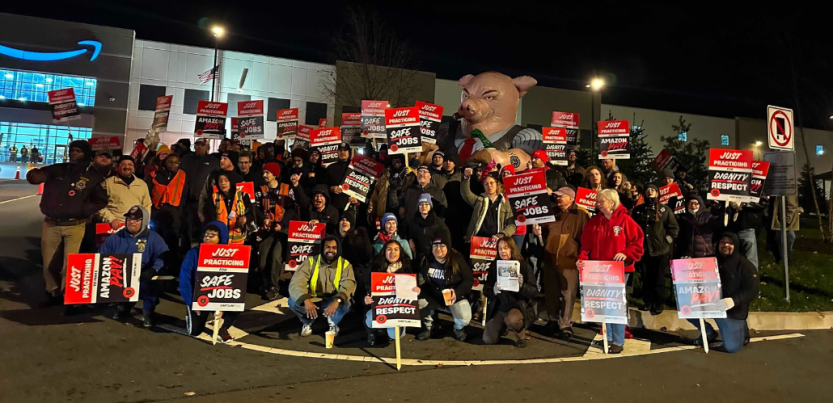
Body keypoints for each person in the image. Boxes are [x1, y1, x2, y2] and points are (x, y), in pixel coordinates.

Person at [27, 140, 107, 310]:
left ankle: (69, 296)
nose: (73, 154)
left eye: (78, 151)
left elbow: (101, 201)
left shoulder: (94, 176)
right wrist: (33, 174)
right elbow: (38, 177)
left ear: (86, 154)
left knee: (70, 265)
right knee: (49, 263)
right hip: (51, 223)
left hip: (75, 225)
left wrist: (82, 210)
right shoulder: (57, 169)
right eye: (72, 150)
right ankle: (53, 292)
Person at [577, 189, 644, 354]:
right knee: (604, 305)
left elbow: (638, 242)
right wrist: (582, 259)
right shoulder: (594, 223)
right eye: (598, 201)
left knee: (615, 305)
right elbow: (586, 245)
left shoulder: (625, 221)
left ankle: (618, 340)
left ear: (612, 202)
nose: (598, 203)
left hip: (618, 270)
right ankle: (610, 338)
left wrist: (626, 253)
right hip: (598, 270)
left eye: (602, 201)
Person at [529, 186, 590, 339]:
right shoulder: (551, 211)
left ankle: (566, 324)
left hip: (569, 259)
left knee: (568, 293)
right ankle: (552, 320)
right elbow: (540, 226)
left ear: (571, 198)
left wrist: (581, 256)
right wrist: (537, 230)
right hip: (549, 257)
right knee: (551, 291)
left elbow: (587, 237)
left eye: (561, 196)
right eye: (556, 196)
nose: (557, 199)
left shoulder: (581, 214)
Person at [687, 232, 759, 353]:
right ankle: (709, 333)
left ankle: (742, 330)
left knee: (732, 348)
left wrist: (733, 301)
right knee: (687, 308)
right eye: (722, 242)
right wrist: (687, 263)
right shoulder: (711, 260)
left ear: (736, 245)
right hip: (713, 304)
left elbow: (753, 290)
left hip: (732, 311)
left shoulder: (746, 266)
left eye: (730, 243)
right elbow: (694, 268)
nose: (725, 245)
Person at [99, 205, 168, 327]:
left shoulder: (153, 237)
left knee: (155, 282)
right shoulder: (116, 237)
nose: (132, 222)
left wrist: (153, 269)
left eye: (136, 220)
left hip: (143, 274)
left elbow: (163, 255)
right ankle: (124, 305)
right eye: (129, 219)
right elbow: (101, 255)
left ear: (144, 221)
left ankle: (148, 310)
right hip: (120, 274)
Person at [179, 221, 240, 342]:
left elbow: (236, 282)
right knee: (195, 331)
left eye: (212, 235)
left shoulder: (230, 254)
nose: (207, 237)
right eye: (206, 234)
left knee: (237, 304)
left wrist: (225, 304)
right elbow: (184, 279)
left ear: (221, 237)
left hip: (220, 294)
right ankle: (191, 313)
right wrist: (191, 302)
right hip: (199, 297)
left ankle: (224, 327)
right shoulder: (194, 253)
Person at [288, 236, 356, 338]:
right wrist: (306, 300)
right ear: (322, 249)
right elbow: (297, 282)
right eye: (327, 247)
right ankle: (308, 321)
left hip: (332, 301)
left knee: (346, 303)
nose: (331, 250)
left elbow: (348, 284)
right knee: (292, 301)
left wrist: (337, 301)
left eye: (334, 248)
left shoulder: (345, 265)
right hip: (313, 300)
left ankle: (332, 322)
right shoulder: (310, 262)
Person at [482, 237, 538, 347]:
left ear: (512, 249)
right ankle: (502, 328)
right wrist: (493, 291)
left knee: (512, 320)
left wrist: (522, 286)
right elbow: (486, 290)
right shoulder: (495, 266)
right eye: (500, 248)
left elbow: (534, 292)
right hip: (499, 307)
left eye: (506, 248)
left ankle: (520, 334)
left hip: (517, 307)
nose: (502, 251)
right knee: (488, 339)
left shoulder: (523, 266)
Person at [632, 185, 679, 315]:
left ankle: (659, 303)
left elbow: (674, 228)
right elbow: (633, 228)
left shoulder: (665, 210)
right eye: (647, 190)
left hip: (660, 250)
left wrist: (666, 241)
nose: (650, 192)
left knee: (659, 279)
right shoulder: (638, 210)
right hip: (644, 249)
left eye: (653, 190)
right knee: (646, 277)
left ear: (657, 193)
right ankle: (648, 302)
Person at [417, 233, 473, 341]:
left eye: (442, 246)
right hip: (434, 295)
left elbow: (469, 280)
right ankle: (428, 326)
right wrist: (420, 290)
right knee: (418, 302)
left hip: (453, 296)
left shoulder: (457, 259)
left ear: (448, 247)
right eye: (435, 246)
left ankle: (458, 328)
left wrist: (456, 292)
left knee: (464, 317)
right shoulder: (426, 260)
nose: (438, 249)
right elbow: (423, 280)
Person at [363, 240, 419, 345]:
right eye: (389, 249)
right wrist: (366, 298)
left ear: (400, 252)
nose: (392, 252)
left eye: (396, 249)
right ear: (384, 251)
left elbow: (415, 287)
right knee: (370, 319)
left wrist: (417, 290)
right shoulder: (375, 267)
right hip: (380, 308)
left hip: (399, 309)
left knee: (395, 335)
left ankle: (389, 331)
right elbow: (365, 286)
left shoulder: (408, 267)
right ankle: (372, 332)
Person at [256, 162, 297, 300]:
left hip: (283, 229)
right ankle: (265, 283)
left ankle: (274, 287)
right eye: (263, 172)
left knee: (276, 256)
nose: (264, 175)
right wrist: (263, 219)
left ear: (275, 175)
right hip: (267, 229)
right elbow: (255, 208)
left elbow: (292, 209)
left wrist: (282, 223)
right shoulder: (260, 190)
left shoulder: (286, 189)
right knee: (262, 256)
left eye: (267, 172)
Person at [146, 153, 187, 266]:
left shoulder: (182, 175)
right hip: (156, 214)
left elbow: (184, 195)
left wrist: (179, 212)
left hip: (174, 215)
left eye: (176, 163)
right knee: (156, 241)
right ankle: (155, 265)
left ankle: (171, 266)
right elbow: (147, 193)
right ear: (164, 162)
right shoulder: (154, 175)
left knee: (172, 242)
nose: (173, 165)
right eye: (170, 162)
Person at [181, 138, 219, 248]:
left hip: (204, 202)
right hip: (186, 201)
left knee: (203, 228)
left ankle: (203, 252)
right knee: (186, 229)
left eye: (202, 144)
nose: (199, 147)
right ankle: (185, 254)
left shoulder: (213, 161)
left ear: (208, 147)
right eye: (197, 144)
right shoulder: (186, 159)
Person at [461, 170, 516, 244]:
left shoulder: (506, 204)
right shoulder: (479, 200)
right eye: (486, 184)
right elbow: (466, 194)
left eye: (491, 183)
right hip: (477, 241)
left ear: (497, 184)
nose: (489, 186)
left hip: (496, 242)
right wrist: (466, 178)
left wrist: (500, 235)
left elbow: (512, 225)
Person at [99, 156, 152, 230]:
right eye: (123, 164)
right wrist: (111, 219)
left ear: (133, 168)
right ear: (117, 167)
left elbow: (147, 204)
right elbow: (99, 206)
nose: (126, 167)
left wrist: (144, 220)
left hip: (136, 226)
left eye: (130, 165)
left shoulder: (142, 184)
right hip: (114, 226)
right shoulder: (107, 183)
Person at [205, 171, 255, 245]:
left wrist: (245, 219)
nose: (223, 183)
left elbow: (251, 214)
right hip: (220, 241)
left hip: (238, 241)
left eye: (226, 180)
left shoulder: (242, 195)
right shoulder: (214, 197)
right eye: (220, 181)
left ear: (231, 181)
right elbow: (209, 218)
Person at [367, 154, 414, 224]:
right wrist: (371, 211)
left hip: (401, 214)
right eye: (394, 160)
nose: (396, 162)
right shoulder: (384, 176)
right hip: (385, 211)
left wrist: (412, 173)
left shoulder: (409, 176)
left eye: (398, 160)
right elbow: (375, 196)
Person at [407, 193, 452, 262]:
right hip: (419, 258)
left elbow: (446, 240)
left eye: (426, 204)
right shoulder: (413, 222)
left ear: (430, 206)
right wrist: (410, 240)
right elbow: (410, 234)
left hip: (435, 258)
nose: (424, 207)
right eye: (421, 204)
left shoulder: (438, 222)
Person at [726, 199, 767, 270]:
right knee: (727, 256)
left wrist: (744, 204)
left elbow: (763, 202)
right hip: (727, 224)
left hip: (747, 224)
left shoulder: (757, 187)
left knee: (749, 256)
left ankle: (752, 278)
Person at [768, 195, 799, 265]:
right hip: (783, 218)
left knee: (788, 236)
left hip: (785, 219)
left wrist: (788, 219)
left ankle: (785, 260)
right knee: (786, 237)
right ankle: (784, 259)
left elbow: (791, 205)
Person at [324, 143, 354, 211]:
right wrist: (331, 188)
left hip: (351, 206)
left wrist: (357, 199)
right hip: (334, 206)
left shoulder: (356, 168)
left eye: (345, 150)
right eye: (340, 150)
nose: (342, 152)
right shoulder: (330, 168)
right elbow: (324, 185)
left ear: (349, 152)